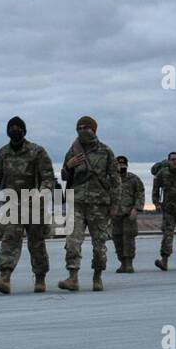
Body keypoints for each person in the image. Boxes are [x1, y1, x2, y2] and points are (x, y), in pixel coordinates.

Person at [0, 117, 55, 294]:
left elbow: (48, 177)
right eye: (11, 127)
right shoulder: (2, 154)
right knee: (9, 239)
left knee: (36, 242)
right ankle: (5, 277)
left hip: (34, 203)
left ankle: (40, 279)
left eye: (18, 127)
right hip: (12, 205)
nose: (15, 130)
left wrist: (43, 194)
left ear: (24, 131)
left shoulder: (37, 152)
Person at [59, 116, 120, 291]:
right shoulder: (73, 150)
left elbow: (116, 180)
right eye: (80, 127)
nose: (83, 130)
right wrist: (68, 167)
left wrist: (115, 204)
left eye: (87, 127)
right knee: (72, 241)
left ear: (94, 130)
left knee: (99, 245)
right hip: (76, 202)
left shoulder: (106, 151)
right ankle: (73, 277)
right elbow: (64, 176)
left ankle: (97, 276)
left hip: (99, 204)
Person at [151, 152, 176, 270]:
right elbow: (155, 188)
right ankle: (164, 261)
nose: (175, 161)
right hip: (169, 209)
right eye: (173, 159)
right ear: (168, 160)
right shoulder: (163, 173)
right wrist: (156, 202)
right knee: (167, 235)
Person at [110, 156, 146, 272]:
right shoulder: (110, 179)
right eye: (119, 165)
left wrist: (136, 209)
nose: (121, 167)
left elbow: (140, 194)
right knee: (117, 239)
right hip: (115, 214)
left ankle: (129, 263)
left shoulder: (133, 179)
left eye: (123, 165)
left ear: (127, 165)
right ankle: (122, 263)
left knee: (128, 239)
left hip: (128, 214)